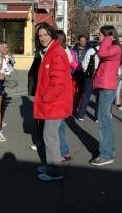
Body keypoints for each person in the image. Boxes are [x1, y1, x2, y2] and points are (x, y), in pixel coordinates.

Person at [34, 23, 72, 181]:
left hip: (54, 104)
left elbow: (58, 83)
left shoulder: (56, 52)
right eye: (40, 35)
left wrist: (45, 98)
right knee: (49, 136)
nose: (42, 38)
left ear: (52, 34)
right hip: (52, 103)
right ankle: (51, 165)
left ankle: (55, 171)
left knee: (50, 137)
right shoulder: (50, 51)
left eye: (45, 34)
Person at [90, 25, 122, 166]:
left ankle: (106, 154)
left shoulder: (115, 48)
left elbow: (101, 54)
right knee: (105, 122)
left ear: (109, 36)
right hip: (104, 87)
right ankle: (110, 150)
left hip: (107, 88)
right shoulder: (112, 48)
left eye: (101, 35)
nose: (99, 37)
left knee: (104, 123)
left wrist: (108, 38)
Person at [76, 36, 101, 122]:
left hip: (90, 75)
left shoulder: (91, 51)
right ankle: (97, 117)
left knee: (86, 95)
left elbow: (84, 64)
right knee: (99, 97)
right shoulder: (108, 51)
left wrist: (86, 71)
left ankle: (81, 115)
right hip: (101, 77)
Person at [56, 30, 72, 162]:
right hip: (65, 92)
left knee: (58, 126)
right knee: (60, 125)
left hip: (59, 94)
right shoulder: (66, 52)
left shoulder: (60, 53)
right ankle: (64, 151)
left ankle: (63, 151)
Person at [70, 35, 88, 107]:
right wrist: (80, 67)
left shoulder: (88, 49)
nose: (84, 42)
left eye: (85, 41)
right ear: (78, 41)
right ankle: (70, 106)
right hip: (75, 73)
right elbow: (72, 61)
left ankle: (79, 106)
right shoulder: (73, 50)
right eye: (82, 41)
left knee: (82, 91)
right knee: (73, 91)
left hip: (84, 73)